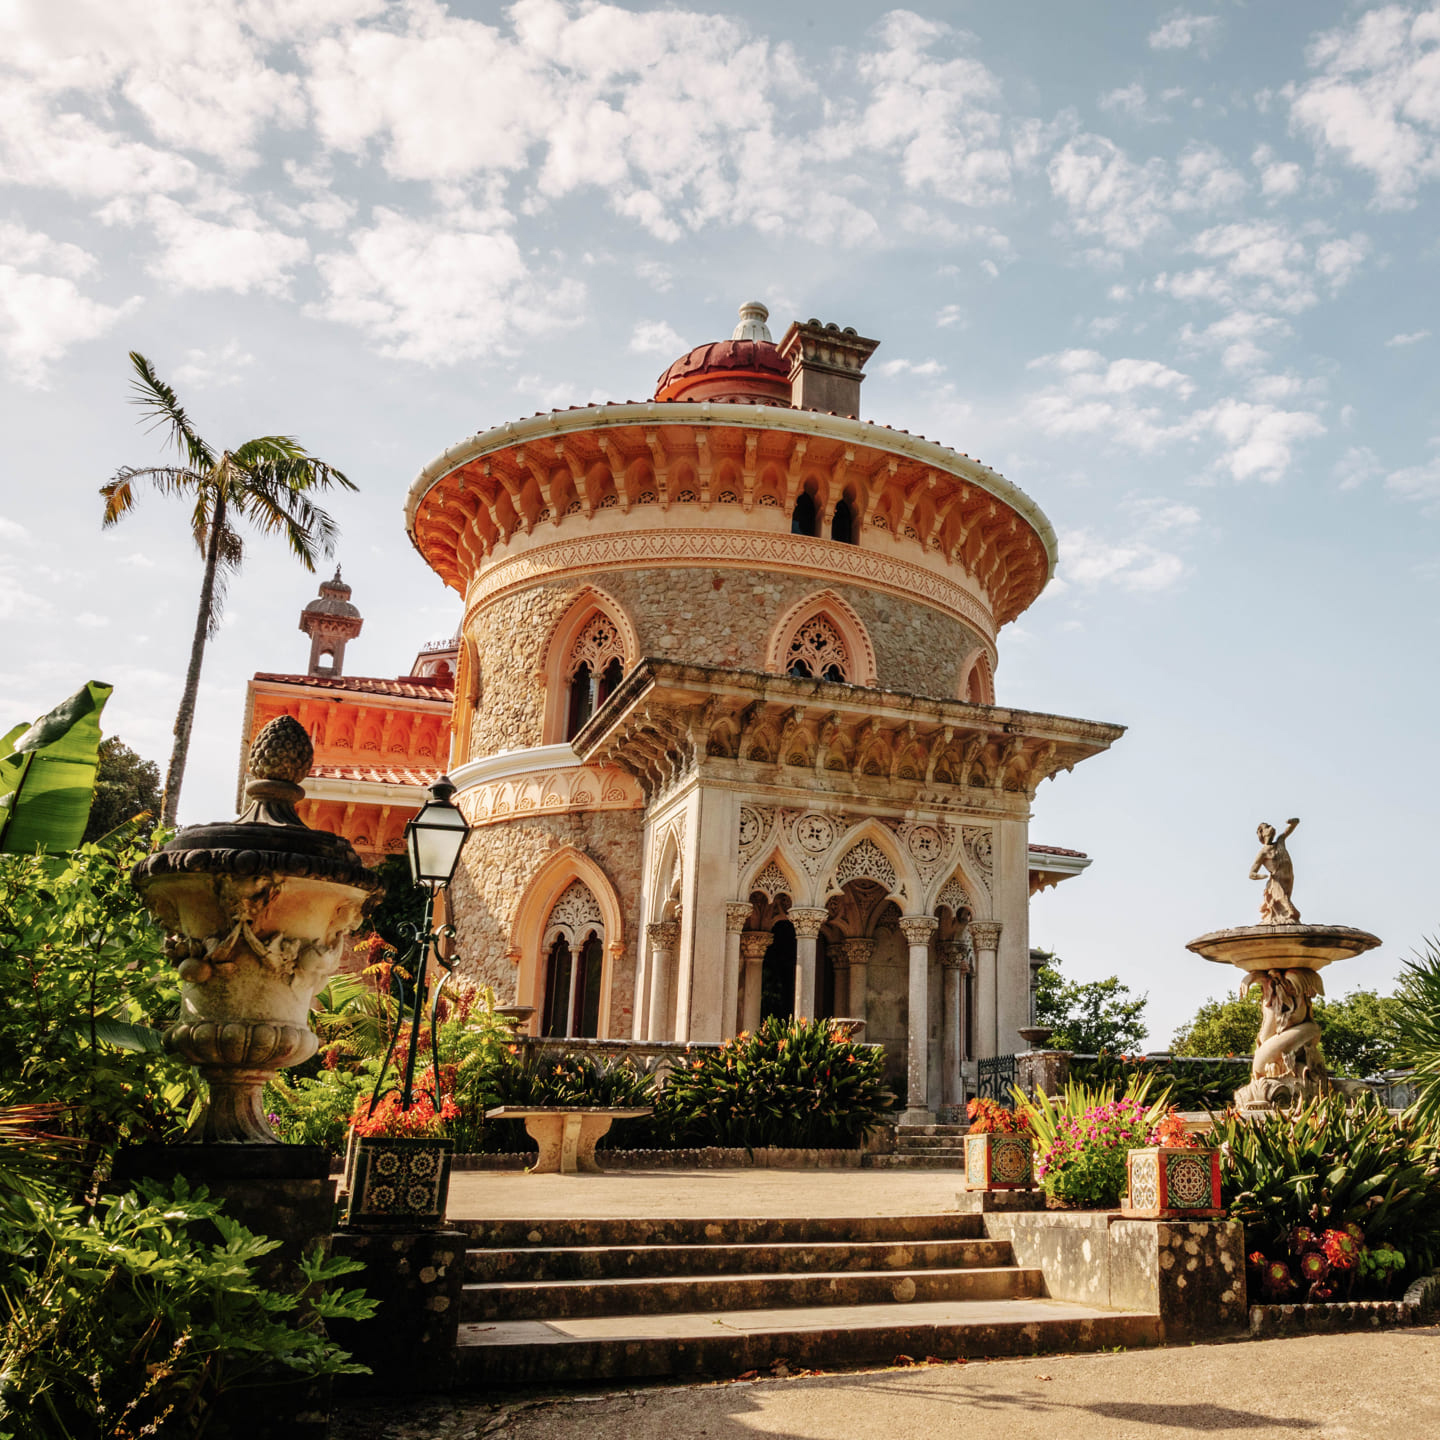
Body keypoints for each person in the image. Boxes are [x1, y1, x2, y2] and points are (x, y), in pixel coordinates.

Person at [1249, 817, 1301, 924]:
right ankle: (1279, 920)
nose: (1271, 827)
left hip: (1288, 878)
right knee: (1288, 908)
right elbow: (1252, 873)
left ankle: (1281, 919)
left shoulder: (1280, 841)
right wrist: (1262, 876)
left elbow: (1290, 829)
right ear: (1262, 833)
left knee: (1286, 900)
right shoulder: (1263, 852)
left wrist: (1294, 823)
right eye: (1267, 827)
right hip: (1277, 881)